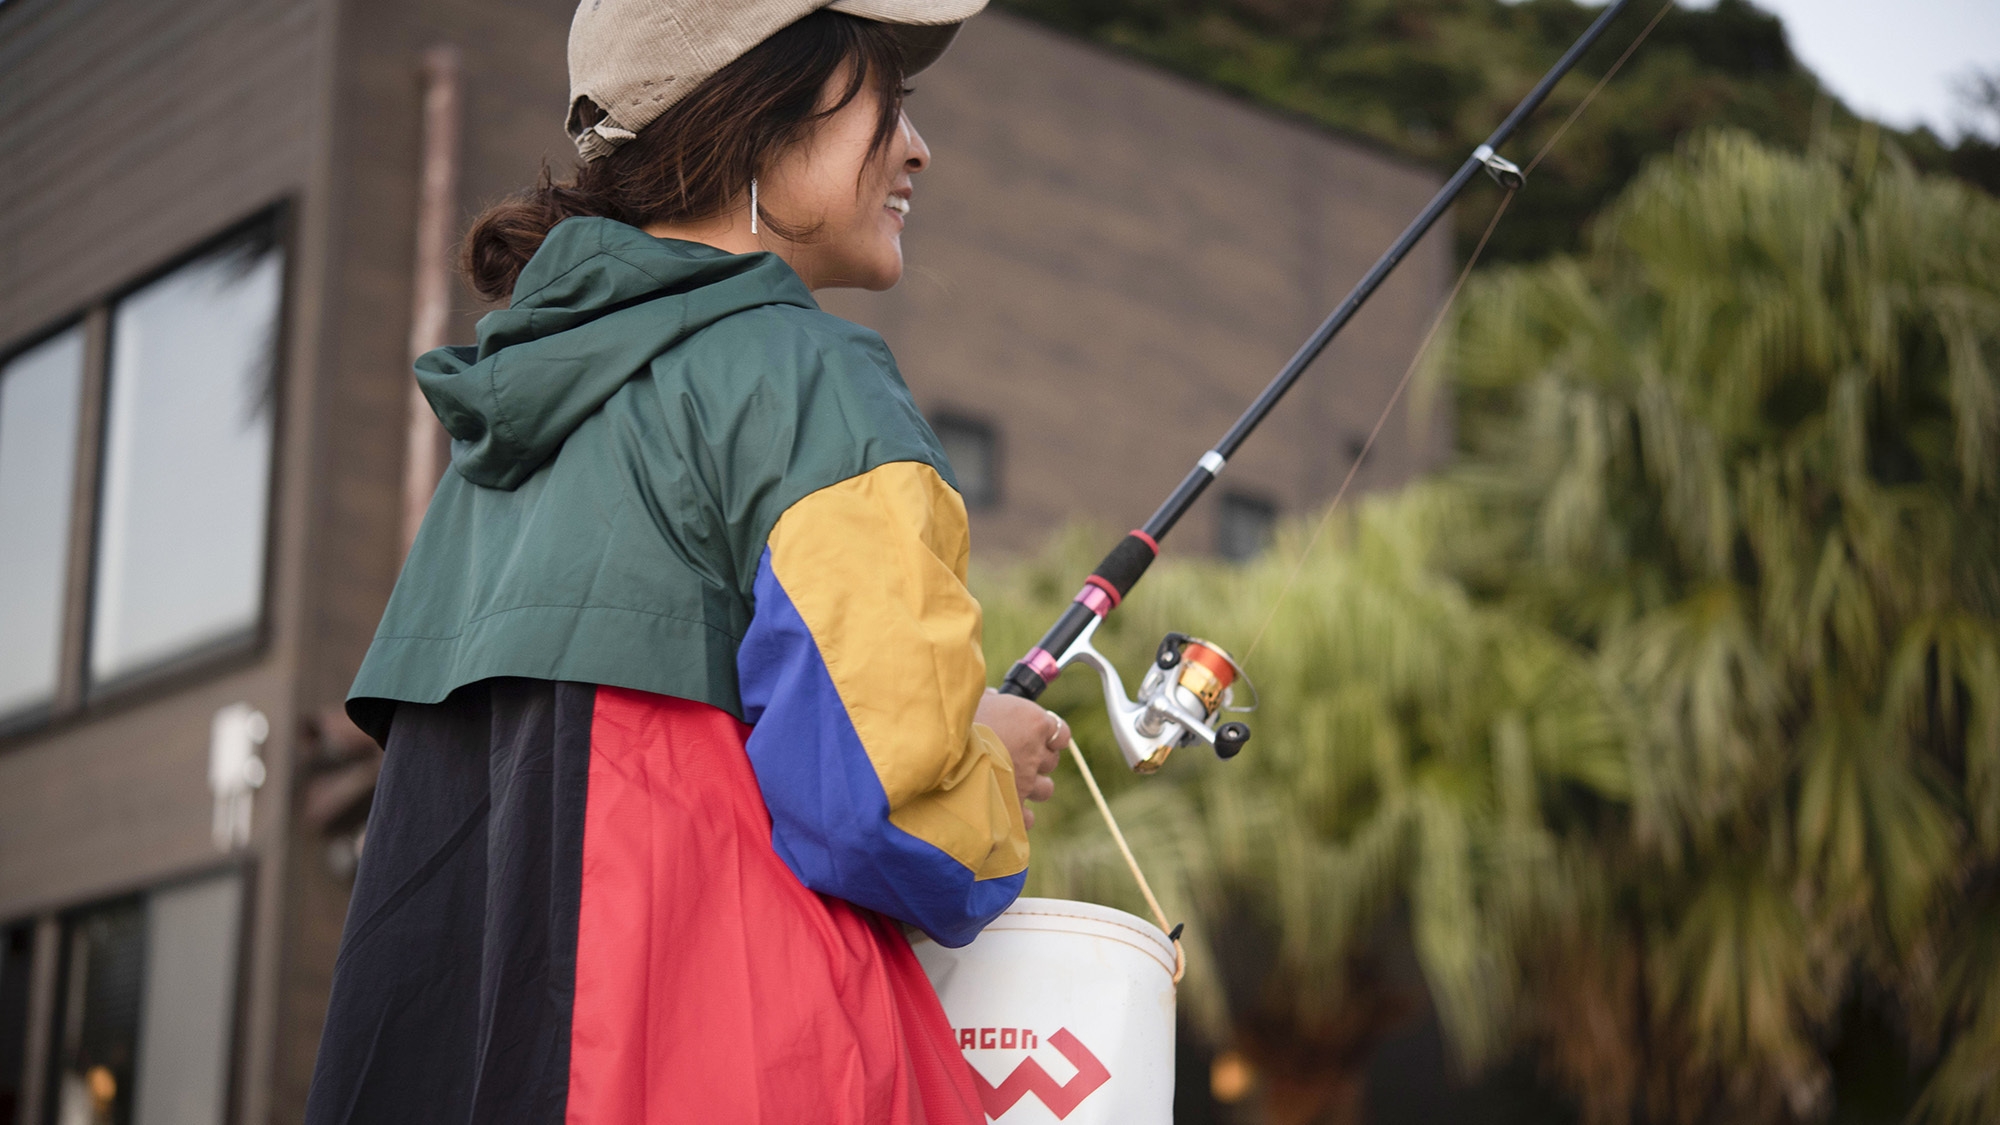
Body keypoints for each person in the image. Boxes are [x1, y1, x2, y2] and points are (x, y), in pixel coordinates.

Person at [302, 1, 1068, 1120]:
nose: (914, 148)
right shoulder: (811, 381)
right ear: (761, 117)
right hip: (732, 1062)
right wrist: (986, 757)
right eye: (887, 104)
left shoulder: (502, 434)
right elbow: (881, 808)